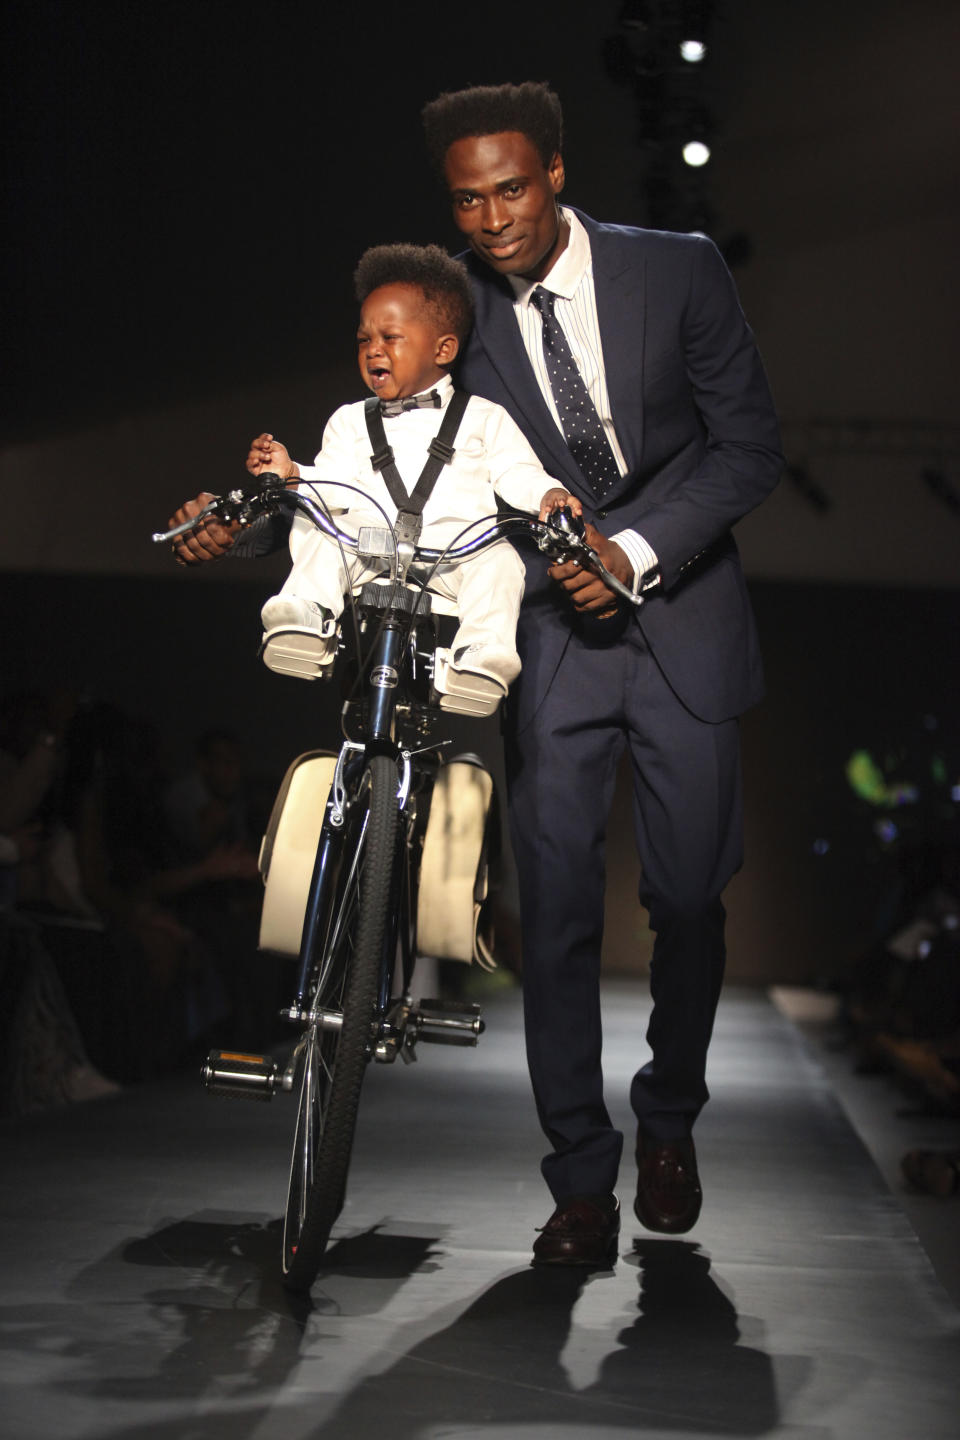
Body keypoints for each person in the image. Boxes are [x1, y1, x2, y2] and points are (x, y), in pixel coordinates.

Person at [168, 83, 783, 1268]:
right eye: (468, 198)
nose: (492, 218)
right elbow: (368, 447)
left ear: (555, 170)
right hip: (547, 634)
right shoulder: (450, 309)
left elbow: (748, 444)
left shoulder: (680, 270)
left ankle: (669, 1120)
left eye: (510, 189)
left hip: (684, 617)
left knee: (693, 899)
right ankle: (579, 1184)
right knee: (548, 915)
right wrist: (239, 523)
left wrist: (634, 551)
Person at [238, 244, 579, 708]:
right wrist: (293, 473)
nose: (373, 349)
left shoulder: (484, 417)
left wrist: (547, 494)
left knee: (501, 561)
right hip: (368, 548)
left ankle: (479, 656)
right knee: (322, 528)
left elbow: (516, 470)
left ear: (443, 349)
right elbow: (334, 484)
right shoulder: (349, 420)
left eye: (390, 337)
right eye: (364, 339)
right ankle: (307, 614)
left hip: (452, 556)